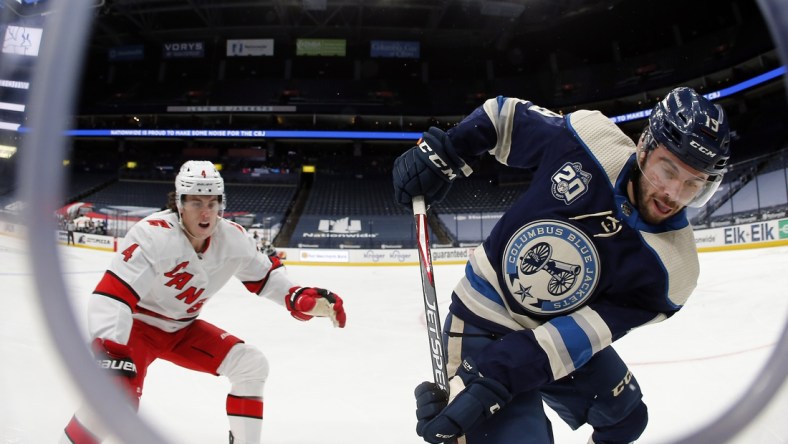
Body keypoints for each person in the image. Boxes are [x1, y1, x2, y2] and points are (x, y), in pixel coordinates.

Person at [392, 87, 730, 444]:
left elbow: (572, 339)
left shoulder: (673, 271)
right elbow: (503, 117)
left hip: (549, 338)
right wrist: (448, 151)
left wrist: (492, 378)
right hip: (484, 318)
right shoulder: (589, 139)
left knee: (626, 418)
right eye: (668, 170)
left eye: (693, 184)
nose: (673, 194)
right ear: (644, 146)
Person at [61, 160, 347, 444]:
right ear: (179, 203)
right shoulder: (153, 234)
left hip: (182, 330)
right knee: (115, 404)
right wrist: (111, 349)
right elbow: (112, 295)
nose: (206, 212)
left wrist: (297, 297)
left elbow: (266, 276)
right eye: (196, 202)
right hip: (137, 328)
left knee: (251, 365)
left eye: (213, 203)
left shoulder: (232, 238)